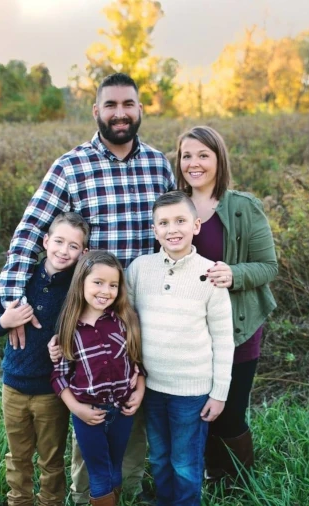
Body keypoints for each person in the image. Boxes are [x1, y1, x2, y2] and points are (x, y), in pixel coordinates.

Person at [0, 72, 175, 503]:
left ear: (139, 110)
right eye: (110, 105)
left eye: (128, 104)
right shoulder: (71, 166)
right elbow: (29, 232)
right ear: (96, 111)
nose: (120, 113)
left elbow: (175, 229)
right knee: (91, 415)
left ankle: (126, 490)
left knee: (134, 404)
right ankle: (87, 495)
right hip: (88, 316)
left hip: (141, 312)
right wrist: (13, 302)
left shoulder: (157, 164)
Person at [175, 126, 278, 483]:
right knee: (195, 407)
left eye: (203, 155)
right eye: (187, 155)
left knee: (230, 410)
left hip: (238, 327)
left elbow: (268, 266)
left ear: (219, 159)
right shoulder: (175, 205)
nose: (194, 163)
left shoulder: (243, 208)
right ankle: (199, 474)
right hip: (189, 329)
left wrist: (234, 274)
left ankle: (234, 481)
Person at [125, 191, 235, 506]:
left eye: (180, 221)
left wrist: (219, 392)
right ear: (154, 229)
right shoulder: (140, 269)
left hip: (192, 392)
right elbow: (129, 326)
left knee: (185, 464)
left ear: (196, 226)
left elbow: (224, 338)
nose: (172, 229)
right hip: (153, 387)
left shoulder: (209, 274)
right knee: (159, 457)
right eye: (164, 222)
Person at [0, 212, 90, 506]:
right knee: (17, 456)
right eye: (58, 241)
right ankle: (18, 501)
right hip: (14, 386)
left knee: (51, 459)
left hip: (51, 391)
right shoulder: (21, 279)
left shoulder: (76, 289)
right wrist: (5, 320)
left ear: (83, 252)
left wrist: (64, 348)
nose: (63, 250)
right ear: (45, 241)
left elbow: (82, 334)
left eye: (73, 246)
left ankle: (50, 502)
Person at [51, 250, 146, 506]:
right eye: (98, 282)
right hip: (88, 415)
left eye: (113, 285)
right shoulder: (69, 327)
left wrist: (140, 390)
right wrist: (76, 408)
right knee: (99, 473)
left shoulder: (124, 321)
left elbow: (137, 364)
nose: (106, 290)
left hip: (122, 412)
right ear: (81, 282)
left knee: (116, 467)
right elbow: (59, 377)